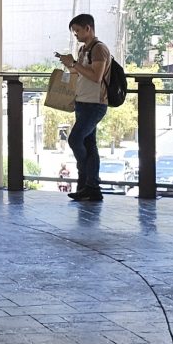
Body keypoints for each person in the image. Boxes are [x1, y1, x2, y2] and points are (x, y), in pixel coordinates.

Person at [56, 13, 111, 203]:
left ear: (88, 28)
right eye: (74, 32)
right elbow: (78, 73)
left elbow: (96, 76)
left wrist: (73, 64)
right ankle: (90, 187)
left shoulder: (99, 49)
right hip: (82, 101)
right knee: (89, 145)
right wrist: (70, 64)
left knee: (75, 139)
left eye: (77, 31)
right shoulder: (83, 50)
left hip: (95, 103)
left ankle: (87, 178)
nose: (76, 35)